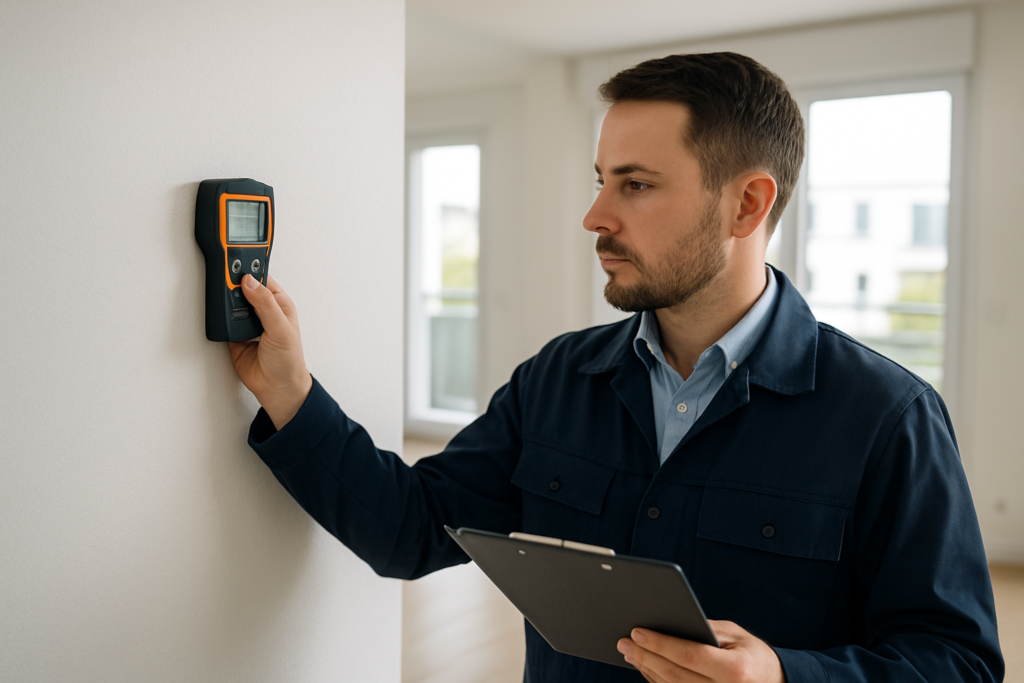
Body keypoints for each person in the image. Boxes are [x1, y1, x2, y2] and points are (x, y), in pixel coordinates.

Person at [228, 53, 1003, 682]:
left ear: (746, 206)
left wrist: (783, 677)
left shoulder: (886, 415)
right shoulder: (556, 380)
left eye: (635, 184)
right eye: (601, 181)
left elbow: (957, 660)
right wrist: (291, 391)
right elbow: (408, 530)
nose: (596, 216)